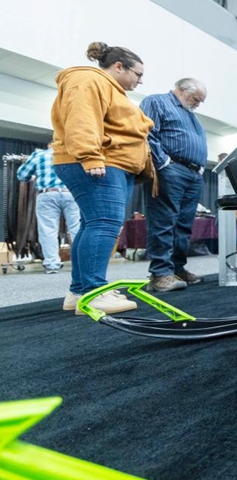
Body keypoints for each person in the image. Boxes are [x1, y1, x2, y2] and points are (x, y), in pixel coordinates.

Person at [52, 41, 154, 314]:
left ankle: (79, 292)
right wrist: (90, 156)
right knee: (104, 224)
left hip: (111, 164)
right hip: (100, 163)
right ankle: (94, 292)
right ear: (119, 66)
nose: (140, 81)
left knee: (93, 224)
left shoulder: (108, 87)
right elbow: (82, 118)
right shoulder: (88, 79)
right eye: (138, 74)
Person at [140, 78, 208, 292]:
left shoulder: (190, 114)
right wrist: (164, 163)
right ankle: (160, 273)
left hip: (192, 174)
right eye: (196, 98)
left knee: (184, 226)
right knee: (164, 221)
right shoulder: (157, 102)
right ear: (181, 89)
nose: (198, 103)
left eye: (201, 101)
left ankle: (177, 268)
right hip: (171, 170)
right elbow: (147, 133)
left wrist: (199, 168)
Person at [16, 144, 80, 274]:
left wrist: (34, 177)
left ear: (50, 145)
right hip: (72, 193)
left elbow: (21, 175)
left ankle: (52, 264)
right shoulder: (74, 154)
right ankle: (81, 263)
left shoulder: (39, 155)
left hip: (47, 193)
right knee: (76, 228)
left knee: (48, 229)